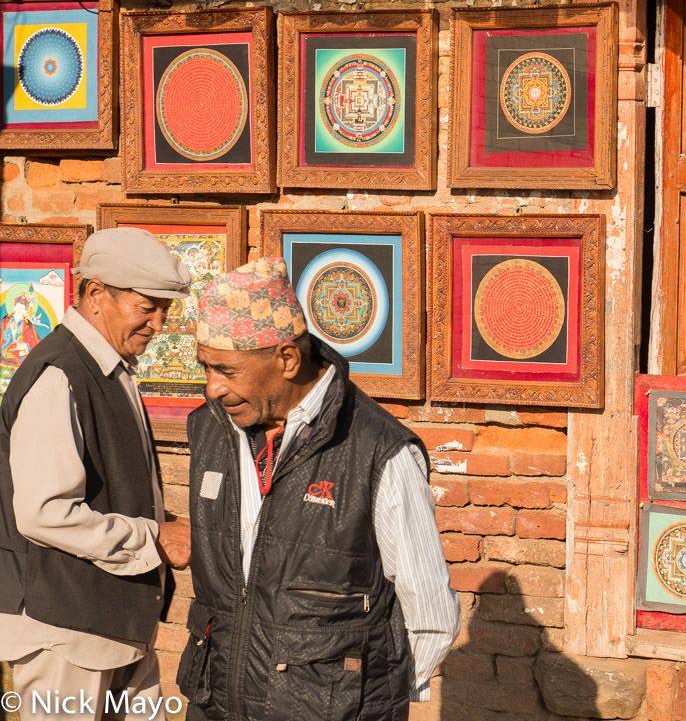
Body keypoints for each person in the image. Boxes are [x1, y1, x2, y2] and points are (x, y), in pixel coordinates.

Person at [181, 258, 459, 721]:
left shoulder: (377, 448)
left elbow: (428, 612)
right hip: (215, 703)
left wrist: (364, 701)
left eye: (227, 370)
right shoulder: (209, 430)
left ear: (287, 359)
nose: (212, 389)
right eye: (206, 368)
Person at [0, 227, 194, 720]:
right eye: (146, 306)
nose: (159, 323)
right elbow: (44, 514)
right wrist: (155, 537)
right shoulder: (59, 375)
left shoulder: (107, 367)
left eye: (164, 309)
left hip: (111, 626)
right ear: (94, 295)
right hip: (66, 633)